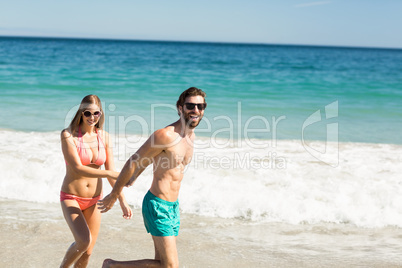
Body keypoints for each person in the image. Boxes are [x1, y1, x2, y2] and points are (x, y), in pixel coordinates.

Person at [98, 87, 207, 268]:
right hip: (157, 205)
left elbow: (150, 160)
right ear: (180, 108)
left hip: (173, 207)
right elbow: (133, 161)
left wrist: (134, 178)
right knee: (170, 266)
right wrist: (114, 195)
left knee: (161, 263)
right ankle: (112, 265)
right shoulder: (165, 135)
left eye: (201, 106)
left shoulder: (191, 137)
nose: (196, 110)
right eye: (191, 105)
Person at [60, 95, 133, 268]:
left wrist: (122, 200)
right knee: (83, 242)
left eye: (96, 113)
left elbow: (110, 172)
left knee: (88, 252)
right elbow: (77, 167)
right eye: (87, 113)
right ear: (81, 112)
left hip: (94, 200)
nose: (92, 118)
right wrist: (112, 173)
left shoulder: (104, 137)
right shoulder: (68, 135)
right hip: (72, 197)